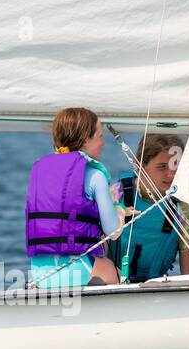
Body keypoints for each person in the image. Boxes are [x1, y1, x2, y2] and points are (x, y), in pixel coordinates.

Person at [25, 107, 121, 288]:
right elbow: (113, 232)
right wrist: (120, 211)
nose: (103, 143)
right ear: (86, 139)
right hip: (79, 271)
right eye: (99, 136)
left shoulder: (40, 172)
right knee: (113, 270)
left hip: (40, 274)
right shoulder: (95, 176)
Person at [111, 134, 189, 282]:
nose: (171, 174)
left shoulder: (180, 207)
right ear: (139, 165)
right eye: (162, 167)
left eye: (175, 166)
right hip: (114, 283)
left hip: (155, 287)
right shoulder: (116, 195)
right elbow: (98, 250)